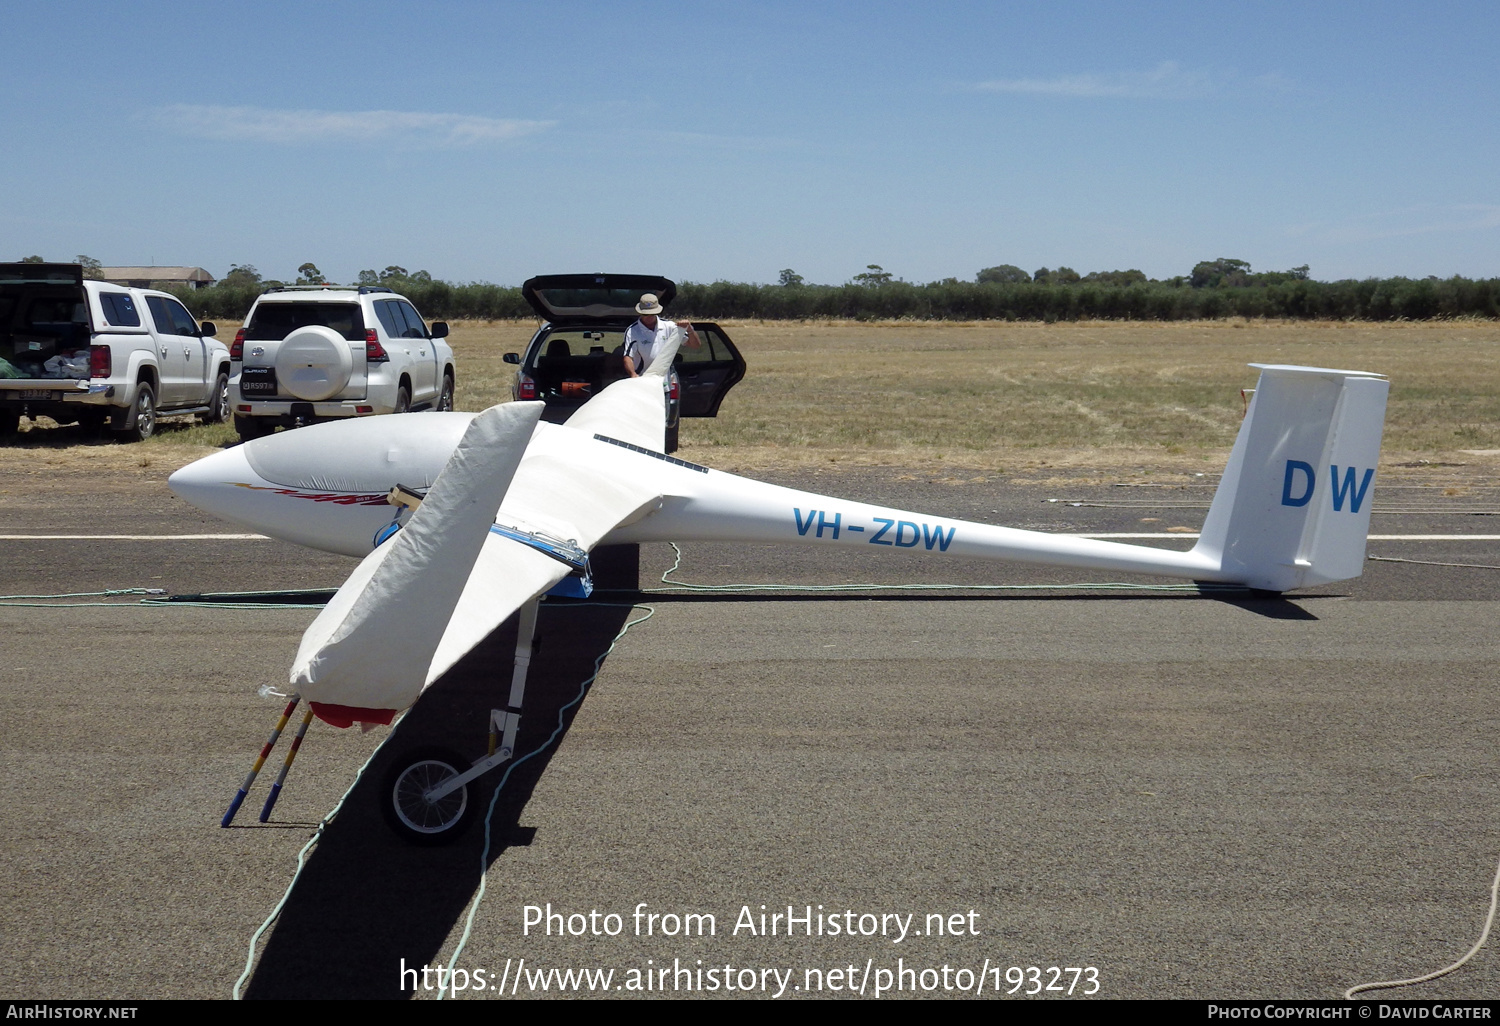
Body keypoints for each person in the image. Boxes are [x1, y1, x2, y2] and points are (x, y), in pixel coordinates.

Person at [622, 293, 700, 377]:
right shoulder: (632, 330)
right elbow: (628, 357)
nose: (649, 317)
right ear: (640, 313)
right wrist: (633, 374)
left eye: (652, 314)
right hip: (644, 380)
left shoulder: (669, 326)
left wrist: (690, 330)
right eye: (645, 314)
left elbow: (695, 345)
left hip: (667, 381)